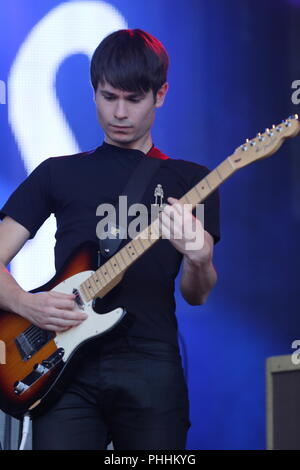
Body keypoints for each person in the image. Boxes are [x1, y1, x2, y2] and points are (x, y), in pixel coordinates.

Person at [0, 29, 220, 450]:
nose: (119, 113)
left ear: (161, 95)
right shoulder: (56, 172)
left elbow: (197, 295)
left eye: (133, 100)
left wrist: (200, 261)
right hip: (63, 367)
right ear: (94, 92)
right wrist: (29, 304)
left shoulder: (191, 180)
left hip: (151, 361)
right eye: (108, 97)